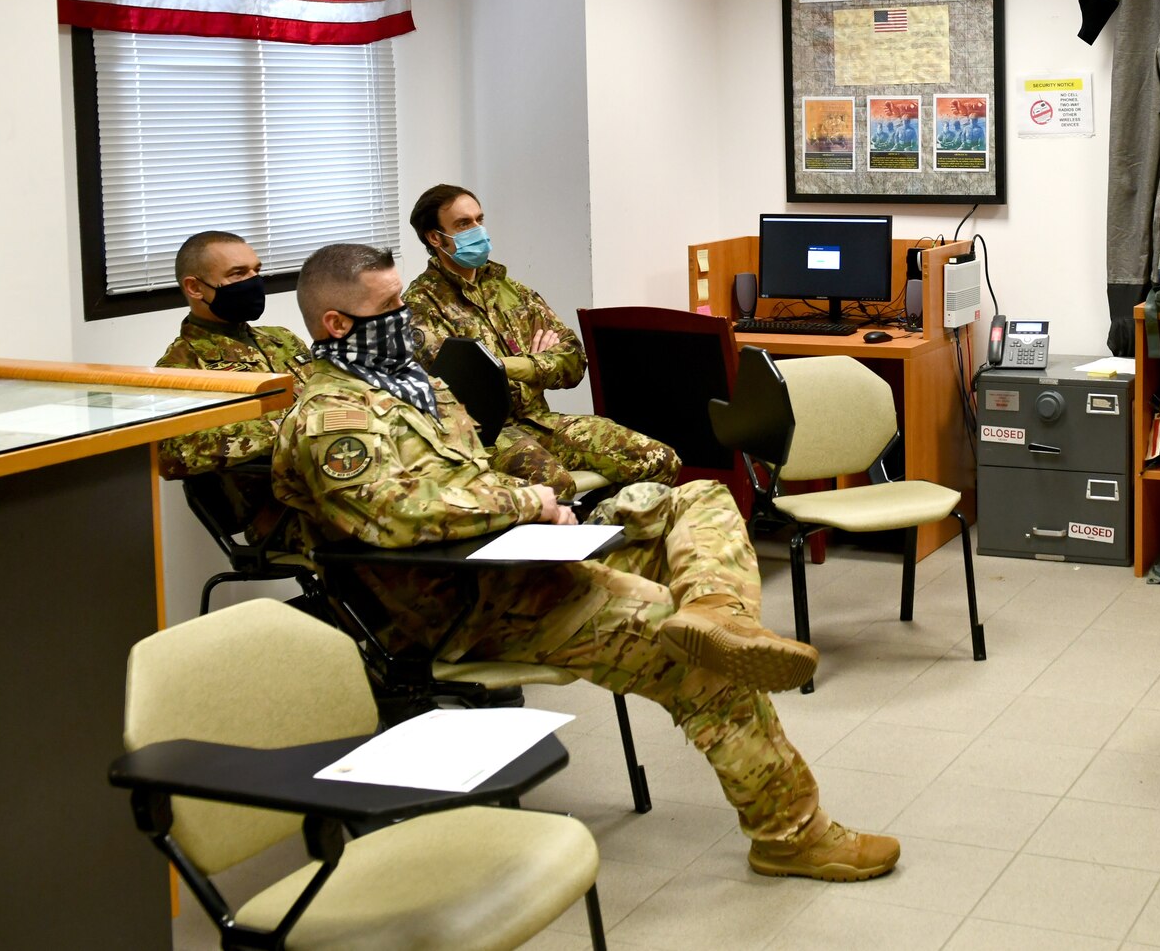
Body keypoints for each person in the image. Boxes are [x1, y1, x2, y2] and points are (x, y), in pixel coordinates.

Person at [271, 243, 898, 879]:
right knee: (692, 658)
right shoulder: (329, 418)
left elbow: (478, 471)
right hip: (467, 601)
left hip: (522, 560)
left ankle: (716, 610)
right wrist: (524, 502)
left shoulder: (415, 386)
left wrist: (545, 503)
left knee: (695, 500)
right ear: (337, 324)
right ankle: (791, 835)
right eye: (390, 306)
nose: (405, 316)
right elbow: (397, 515)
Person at [404, 184, 677, 497]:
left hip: (540, 421)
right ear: (435, 238)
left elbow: (574, 361)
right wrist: (535, 367)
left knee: (659, 459)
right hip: (485, 437)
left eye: (479, 219)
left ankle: (598, 529)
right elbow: (461, 392)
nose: (477, 230)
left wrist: (521, 366)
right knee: (553, 488)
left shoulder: (511, 292)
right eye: (464, 224)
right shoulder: (419, 307)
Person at [154, 231, 310, 539]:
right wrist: (286, 427)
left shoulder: (282, 340)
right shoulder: (182, 366)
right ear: (195, 287)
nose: (254, 281)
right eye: (237, 274)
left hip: (335, 483)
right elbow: (171, 454)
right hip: (278, 514)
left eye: (256, 270)